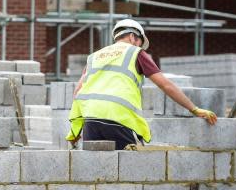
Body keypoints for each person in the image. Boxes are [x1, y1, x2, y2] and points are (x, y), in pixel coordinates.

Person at [66, 18, 218, 150]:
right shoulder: (135, 53)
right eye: (139, 43)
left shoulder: (95, 56)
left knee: (97, 174)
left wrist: (75, 132)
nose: (139, 47)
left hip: (90, 120)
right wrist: (195, 109)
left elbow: (78, 93)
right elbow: (165, 85)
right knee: (130, 171)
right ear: (132, 37)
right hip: (118, 119)